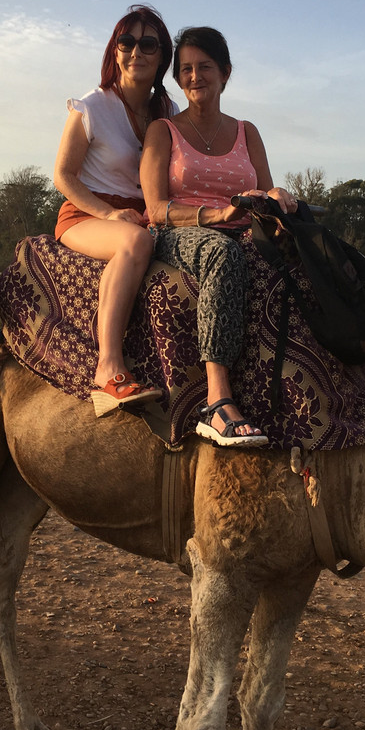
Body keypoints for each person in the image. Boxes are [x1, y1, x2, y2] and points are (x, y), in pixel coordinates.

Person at [141, 26, 298, 447]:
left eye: (205, 67)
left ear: (225, 73)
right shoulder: (163, 131)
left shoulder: (247, 131)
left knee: (303, 258)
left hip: (243, 225)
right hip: (180, 231)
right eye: (186, 69)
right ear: (177, 78)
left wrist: (277, 197)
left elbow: (263, 189)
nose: (195, 77)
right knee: (223, 254)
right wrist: (216, 214)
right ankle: (218, 400)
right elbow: (155, 209)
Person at [53, 5, 178, 415]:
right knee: (135, 242)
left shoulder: (169, 112)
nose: (135, 51)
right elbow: (64, 176)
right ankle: (108, 368)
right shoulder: (92, 105)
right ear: (115, 50)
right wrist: (108, 214)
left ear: (162, 56)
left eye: (148, 43)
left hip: (147, 214)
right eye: (126, 42)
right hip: (87, 213)